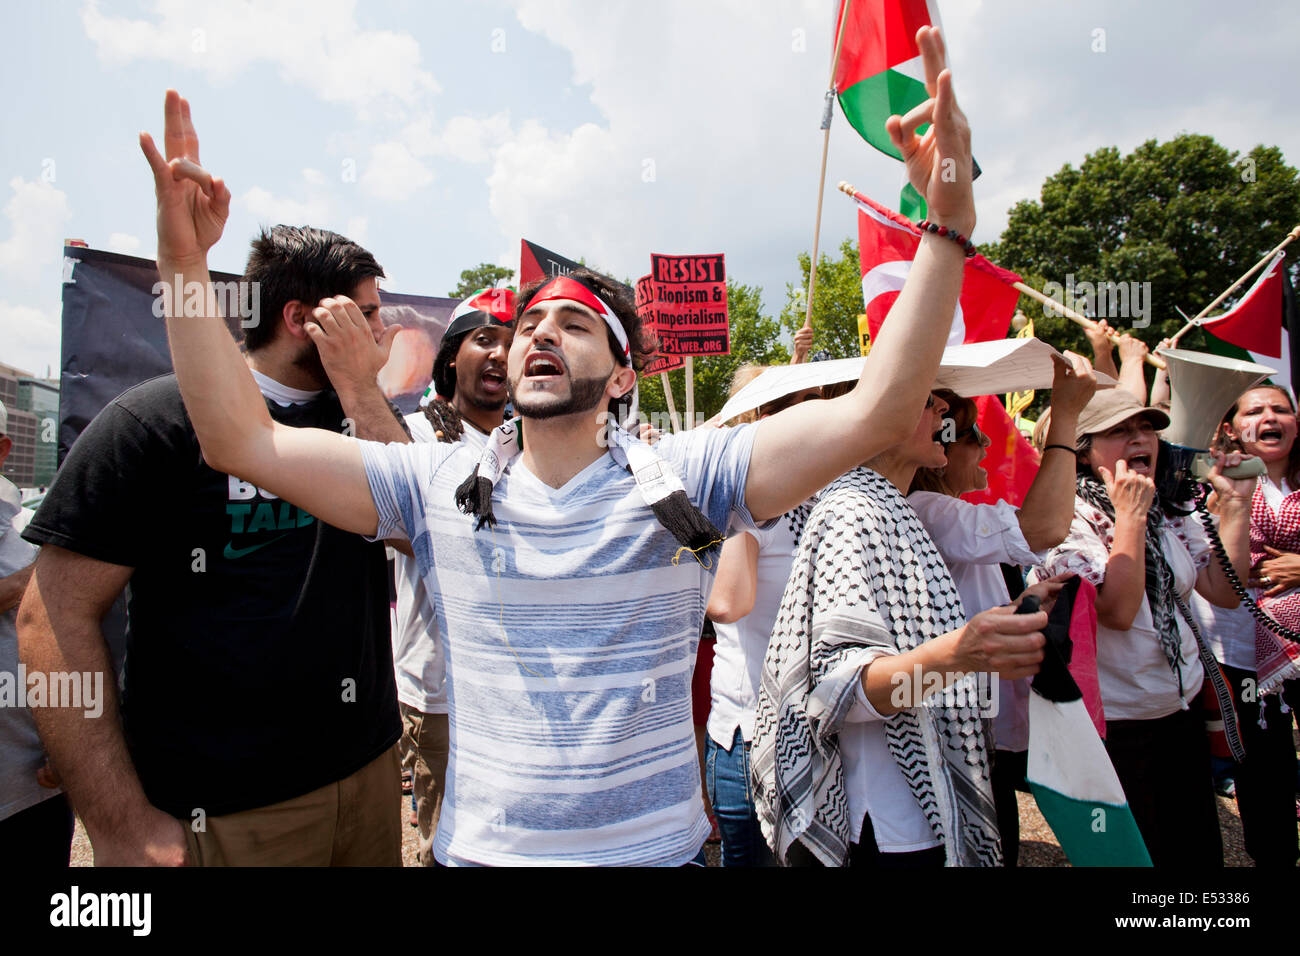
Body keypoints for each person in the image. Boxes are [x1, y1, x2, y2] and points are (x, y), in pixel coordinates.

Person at [135, 26, 1020, 866]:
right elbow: (238, 437)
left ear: (625, 375)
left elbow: (875, 413)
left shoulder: (688, 477)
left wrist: (945, 230)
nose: (541, 335)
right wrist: (183, 264)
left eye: (575, 324)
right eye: (529, 325)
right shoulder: (432, 481)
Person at [17, 223, 409, 866]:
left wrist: (362, 391)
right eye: (364, 315)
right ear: (301, 318)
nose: (380, 334)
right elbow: (50, 617)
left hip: (367, 778)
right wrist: (117, 823)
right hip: (224, 812)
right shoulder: (153, 423)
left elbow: (415, 533)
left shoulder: (362, 419)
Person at [753, 388, 1052, 867]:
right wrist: (961, 654)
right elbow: (840, 693)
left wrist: (999, 627)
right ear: (876, 420)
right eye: (926, 400)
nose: (941, 412)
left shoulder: (887, 506)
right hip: (889, 822)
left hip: (911, 811)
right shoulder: (854, 511)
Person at [1036, 389, 1256, 866]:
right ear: (1083, 450)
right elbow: (1116, 610)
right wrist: (1130, 519)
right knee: (1137, 856)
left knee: (1195, 850)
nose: (1141, 438)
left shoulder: (1168, 507)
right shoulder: (1066, 518)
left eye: (1146, 428)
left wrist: (1236, 508)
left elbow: (1224, 591)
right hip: (1118, 726)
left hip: (1180, 712)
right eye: (1120, 430)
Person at [907, 352, 1095, 865]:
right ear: (939, 448)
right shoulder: (927, 511)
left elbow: (972, 603)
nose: (988, 445)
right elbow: (1046, 527)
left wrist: (1025, 604)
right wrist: (1068, 420)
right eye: (975, 436)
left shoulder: (952, 512)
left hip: (978, 727)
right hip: (958, 727)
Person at [393, 287, 514, 866]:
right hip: (442, 695)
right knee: (448, 847)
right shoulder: (416, 435)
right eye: (484, 339)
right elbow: (399, 522)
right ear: (449, 359)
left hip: (513, 691)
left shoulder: (527, 443)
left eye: (512, 345)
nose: (499, 355)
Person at [703, 367, 824, 866]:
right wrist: (742, 502)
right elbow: (727, 603)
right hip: (751, 740)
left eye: (816, 403)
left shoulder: (825, 497)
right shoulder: (746, 502)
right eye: (790, 406)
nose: (811, 417)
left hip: (822, 730)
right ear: (759, 419)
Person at [1215, 383, 1300, 866]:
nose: (1270, 418)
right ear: (1232, 429)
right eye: (1256, 411)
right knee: (1265, 774)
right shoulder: (1214, 484)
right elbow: (1229, 566)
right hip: (1244, 656)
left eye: (1281, 409)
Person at [0, 401, 72, 865]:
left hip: (27, 789)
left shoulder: (31, 534)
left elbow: (71, 642)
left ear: (3, 449)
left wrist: (65, 743)